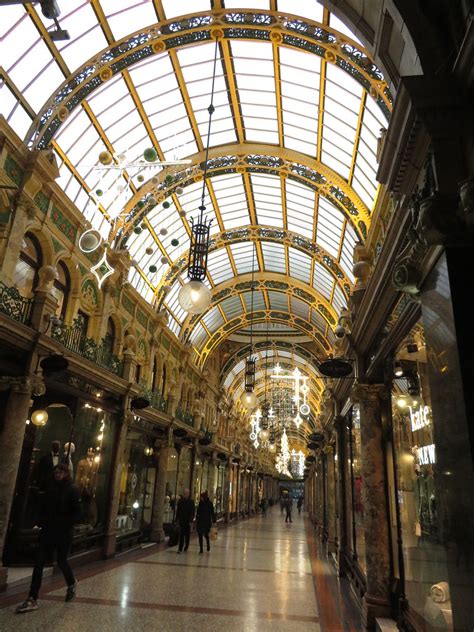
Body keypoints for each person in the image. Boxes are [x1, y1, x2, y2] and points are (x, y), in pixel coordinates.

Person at [16, 464, 82, 614]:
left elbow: (78, 514)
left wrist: (65, 525)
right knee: (38, 563)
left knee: (61, 561)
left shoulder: (72, 490)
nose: (57, 475)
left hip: (63, 533)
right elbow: (43, 506)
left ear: (66, 473)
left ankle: (71, 583)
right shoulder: (50, 488)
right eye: (56, 472)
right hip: (47, 531)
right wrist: (40, 522)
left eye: (60, 472)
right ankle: (32, 598)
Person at [175, 488, 195, 553]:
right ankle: (180, 548)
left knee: (187, 535)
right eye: (185, 493)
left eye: (187, 493)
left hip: (188, 521)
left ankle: (186, 546)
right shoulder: (180, 501)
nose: (186, 495)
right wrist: (177, 519)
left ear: (189, 494)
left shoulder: (191, 502)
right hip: (182, 520)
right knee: (181, 534)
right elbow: (178, 511)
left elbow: (192, 512)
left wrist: (191, 520)